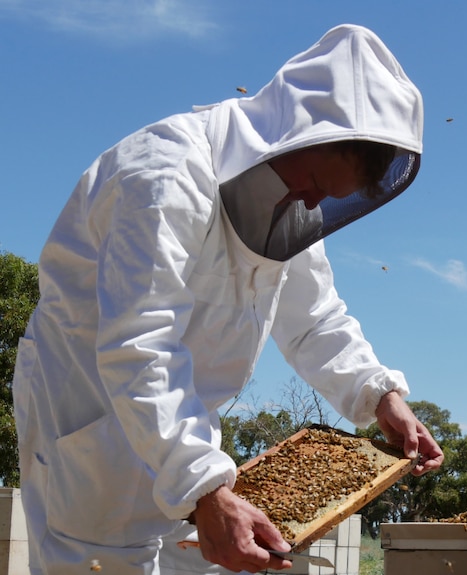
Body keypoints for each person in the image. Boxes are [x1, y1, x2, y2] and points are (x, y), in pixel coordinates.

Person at [12, 24, 443, 575]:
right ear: (294, 132)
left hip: (186, 435)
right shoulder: (165, 173)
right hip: (94, 428)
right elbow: (139, 341)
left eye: (326, 196)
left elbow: (313, 319)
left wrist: (378, 395)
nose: (311, 200)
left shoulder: (289, 202)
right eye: (312, 180)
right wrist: (200, 485)